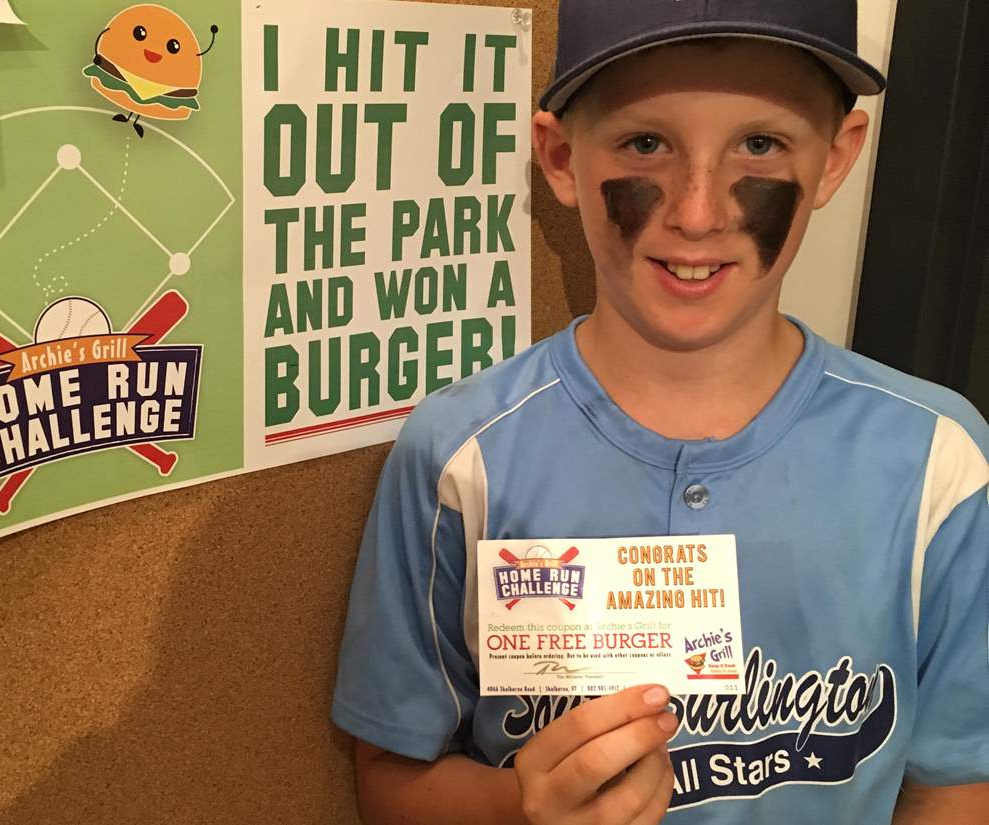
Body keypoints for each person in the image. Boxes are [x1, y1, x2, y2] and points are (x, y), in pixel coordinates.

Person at [331, 1, 989, 822]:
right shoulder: (460, 453)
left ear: (836, 158)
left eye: (760, 144)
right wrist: (517, 805)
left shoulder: (941, 461)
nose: (698, 212)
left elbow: (956, 782)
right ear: (562, 158)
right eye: (647, 143)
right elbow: (393, 777)